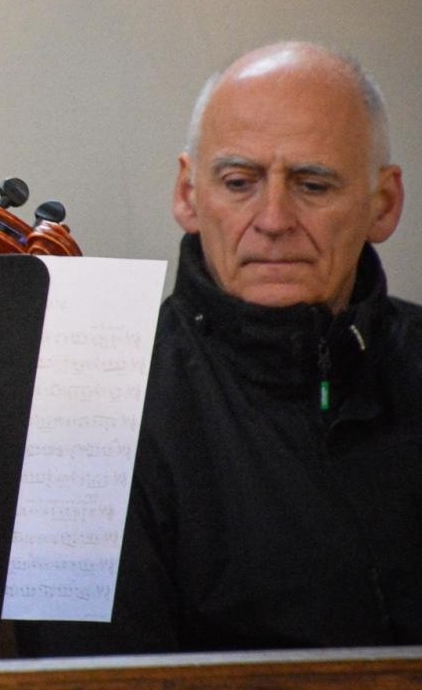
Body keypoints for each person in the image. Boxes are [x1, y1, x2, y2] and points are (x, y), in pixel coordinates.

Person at [21, 40, 420, 656]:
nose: (274, 218)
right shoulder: (90, 415)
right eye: (240, 182)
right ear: (188, 194)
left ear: (383, 204)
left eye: (313, 186)